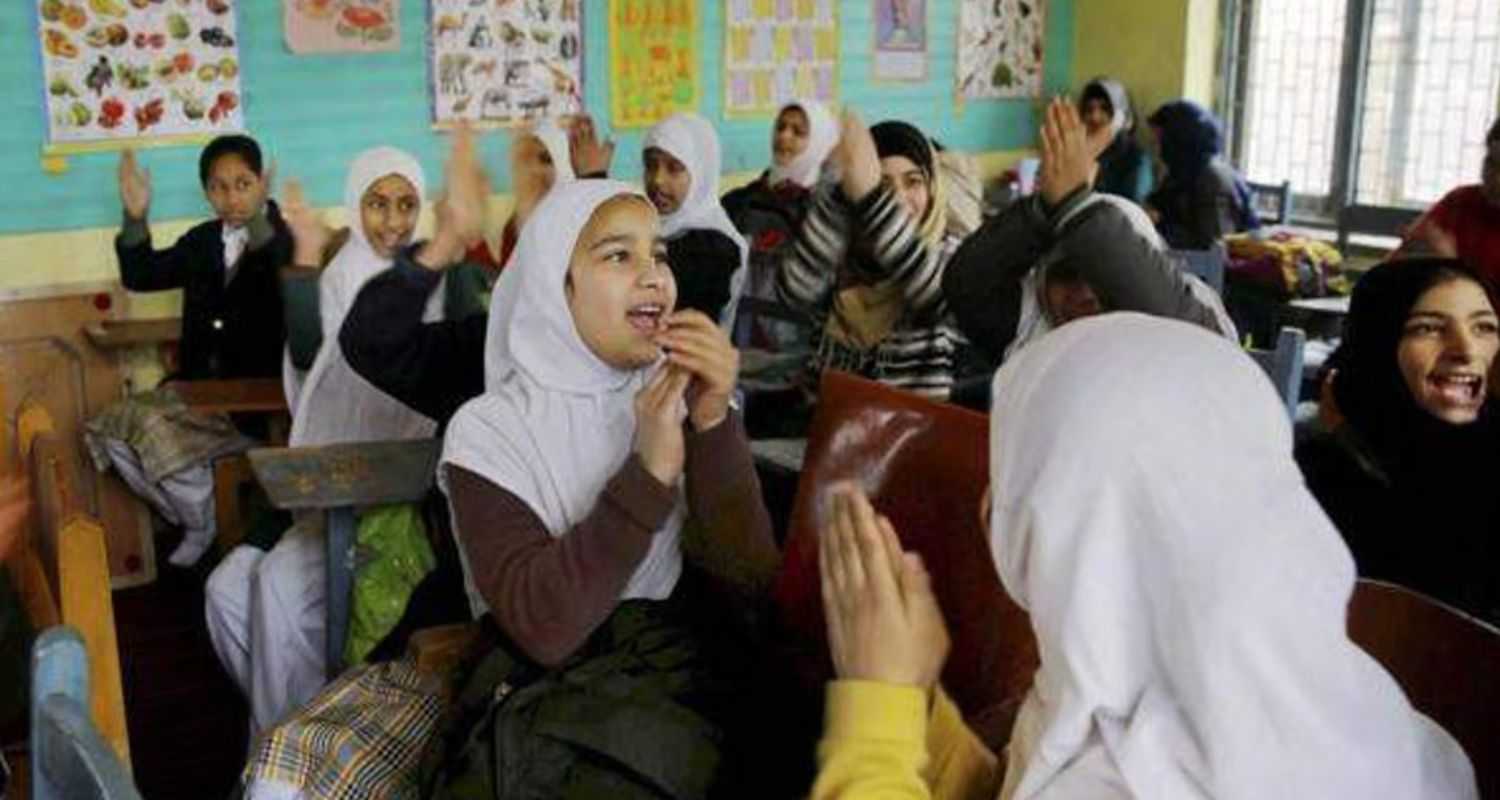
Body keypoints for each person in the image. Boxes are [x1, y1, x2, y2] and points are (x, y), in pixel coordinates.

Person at [241, 180, 779, 800]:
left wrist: (714, 424)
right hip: (558, 695)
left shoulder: (682, 393)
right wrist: (649, 476)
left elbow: (750, 590)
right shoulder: (493, 427)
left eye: (658, 253)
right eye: (618, 255)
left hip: (675, 686)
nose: (655, 276)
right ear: (558, 285)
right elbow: (546, 630)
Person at [810, 313, 1478, 800]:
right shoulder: (1345, 703)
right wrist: (919, 701)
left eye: (1016, 478)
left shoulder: (1134, 782)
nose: (991, 499)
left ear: (1084, 521)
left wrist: (878, 704)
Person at [204, 144, 468, 737]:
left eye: (407, 205)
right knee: (224, 593)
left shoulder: (435, 284)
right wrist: (301, 255)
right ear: (355, 205)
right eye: (378, 204)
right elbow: (309, 366)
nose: (395, 222)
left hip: (398, 500)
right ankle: (295, 727)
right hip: (324, 485)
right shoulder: (340, 275)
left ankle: (293, 741)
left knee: (273, 589)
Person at [944, 98, 1234, 367]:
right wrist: (1047, 206)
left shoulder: (1193, 310)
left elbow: (1178, 324)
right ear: (1043, 277)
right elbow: (968, 281)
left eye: (1108, 275)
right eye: (1066, 275)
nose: (1085, 294)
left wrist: (1074, 204)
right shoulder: (1033, 317)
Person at [1297, 259, 1500, 625]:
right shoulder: (1317, 482)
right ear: (1378, 344)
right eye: (1428, 328)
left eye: (1484, 327)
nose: (1466, 351)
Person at [777, 112, 966, 401]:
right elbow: (794, 292)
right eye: (883, 184)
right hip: (826, 429)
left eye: (913, 182)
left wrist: (872, 199)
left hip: (910, 438)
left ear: (932, 188)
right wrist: (841, 191)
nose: (899, 199)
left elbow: (935, 295)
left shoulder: (953, 257)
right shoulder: (839, 249)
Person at [115, 135, 292, 380]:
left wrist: (256, 221)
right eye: (218, 187)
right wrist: (134, 218)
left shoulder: (290, 239)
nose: (231, 199)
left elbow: (272, 265)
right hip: (200, 385)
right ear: (206, 192)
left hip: (265, 391)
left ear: (261, 184)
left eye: (243, 184)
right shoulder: (201, 240)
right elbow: (140, 276)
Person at [723, 99, 840, 350]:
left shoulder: (828, 213)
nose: (784, 136)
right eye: (781, 127)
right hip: (739, 352)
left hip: (800, 356)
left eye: (798, 132)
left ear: (820, 143)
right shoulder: (740, 202)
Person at [464, 118, 576, 275]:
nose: (534, 170)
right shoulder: (517, 222)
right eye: (527, 161)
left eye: (545, 160)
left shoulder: (581, 219)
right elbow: (505, 281)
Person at [1145, 100, 1260, 250]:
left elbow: (1215, 248)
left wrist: (1159, 225)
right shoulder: (1183, 171)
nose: (1155, 148)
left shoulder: (1210, 179)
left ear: (1179, 140)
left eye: (1159, 140)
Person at [1401, 118, 1500, 283]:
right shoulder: (1461, 202)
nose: (1496, 179)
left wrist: (1450, 267)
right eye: (1491, 162)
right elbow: (1404, 257)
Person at [1077, 77, 1152, 204]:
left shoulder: (1135, 156)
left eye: (1104, 109)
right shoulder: (1077, 152)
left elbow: (1131, 207)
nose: (1095, 117)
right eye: (1089, 110)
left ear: (1120, 114)